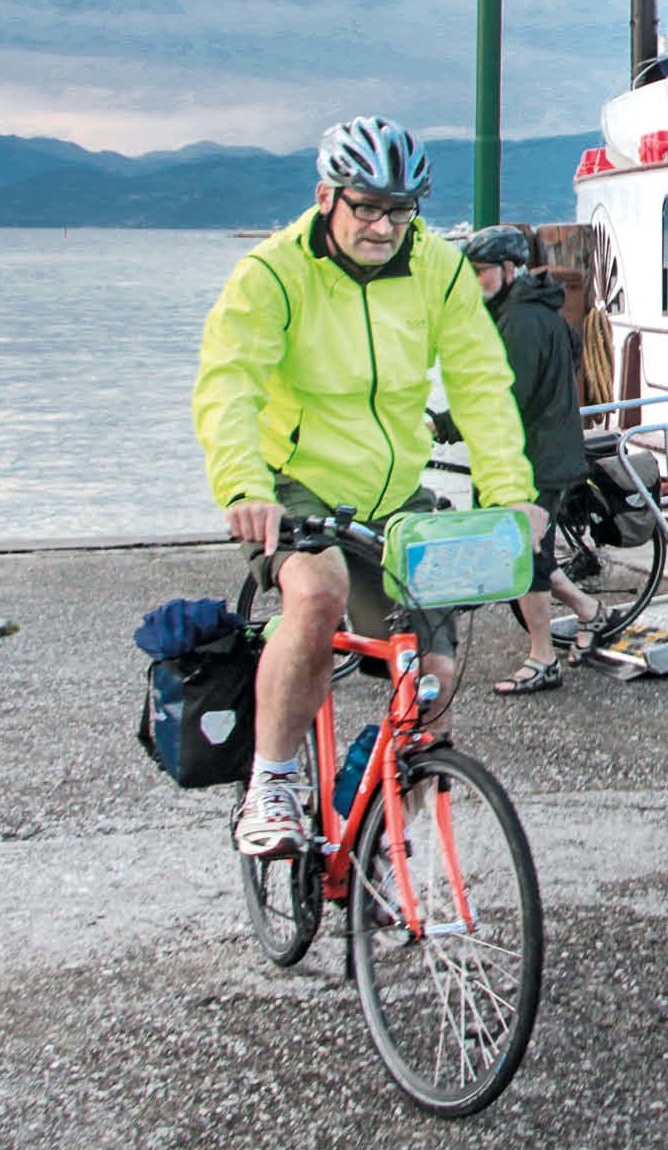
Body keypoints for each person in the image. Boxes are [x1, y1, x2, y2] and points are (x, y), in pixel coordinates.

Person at [194, 117, 543, 857]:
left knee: (436, 675)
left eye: (401, 209)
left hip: (395, 496)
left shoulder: (439, 268)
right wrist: (241, 485)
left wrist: (512, 492)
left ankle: (385, 846)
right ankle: (274, 780)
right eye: (368, 207)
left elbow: (481, 380)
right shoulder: (273, 272)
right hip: (297, 484)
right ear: (327, 197)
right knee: (317, 597)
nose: (385, 226)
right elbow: (230, 384)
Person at [448, 226, 604, 693]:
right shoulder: (538, 313)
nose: (474, 282)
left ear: (510, 270)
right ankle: (589, 611)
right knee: (527, 555)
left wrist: (447, 424)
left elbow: (502, 394)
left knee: (525, 559)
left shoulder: (520, 322)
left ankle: (543, 656)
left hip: (535, 458)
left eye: (481, 273)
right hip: (544, 450)